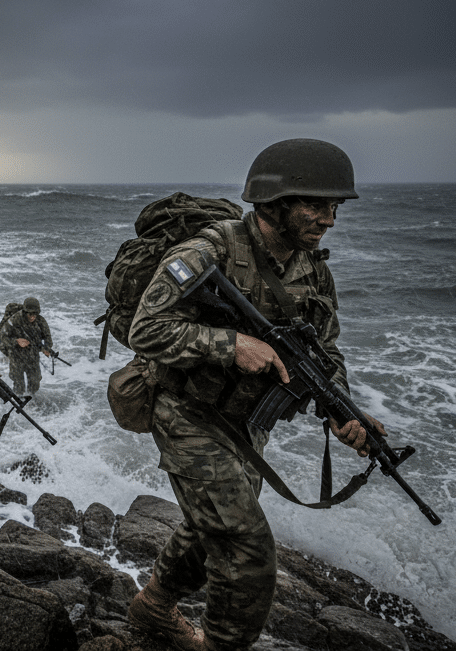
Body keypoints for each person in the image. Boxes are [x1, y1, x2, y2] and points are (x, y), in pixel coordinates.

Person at [125, 138, 385, 651]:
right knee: (246, 550)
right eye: (315, 205)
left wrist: (345, 411)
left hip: (247, 423)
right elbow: (145, 330)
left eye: (334, 207)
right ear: (273, 202)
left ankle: (152, 605)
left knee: (208, 528)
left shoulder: (315, 271)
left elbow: (324, 354)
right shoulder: (209, 250)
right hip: (187, 411)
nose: (329, 218)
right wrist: (230, 343)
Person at [0, 297, 53, 397]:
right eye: (30, 314)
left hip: (32, 357)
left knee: (35, 384)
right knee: (19, 386)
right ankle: (18, 407)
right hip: (16, 356)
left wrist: (47, 348)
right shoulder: (14, 320)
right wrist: (16, 341)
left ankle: (32, 405)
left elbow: (48, 337)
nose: (32, 317)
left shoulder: (41, 321)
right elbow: (1, 338)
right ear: (25, 312)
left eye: (35, 314)